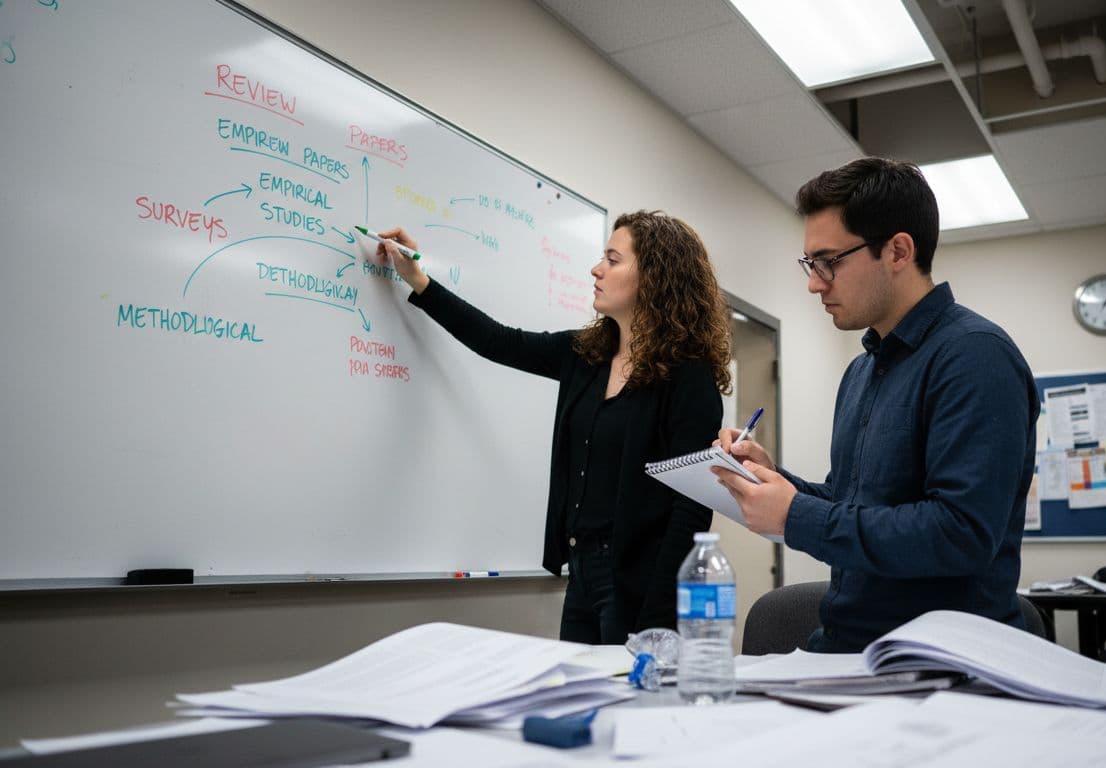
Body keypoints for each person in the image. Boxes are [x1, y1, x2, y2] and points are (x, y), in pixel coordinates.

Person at [713, 158, 1039, 653]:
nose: (814, 283)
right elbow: (855, 503)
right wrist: (775, 481)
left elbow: (960, 533)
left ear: (898, 250)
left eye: (829, 262)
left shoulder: (976, 356)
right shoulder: (862, 370)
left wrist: (794, 516)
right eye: (810, 264)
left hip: (941, 662)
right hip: (849, 647)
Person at [378, 211, 732, 643]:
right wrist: (418, 279)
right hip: (582, 576)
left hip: (641, 587)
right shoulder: (586, 354)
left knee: (633, 705)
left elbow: (691, 508)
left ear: (655, 277)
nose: (596, 269)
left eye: (613, 260)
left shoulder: (687, 378)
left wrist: (658, 618)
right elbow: (498, 341)